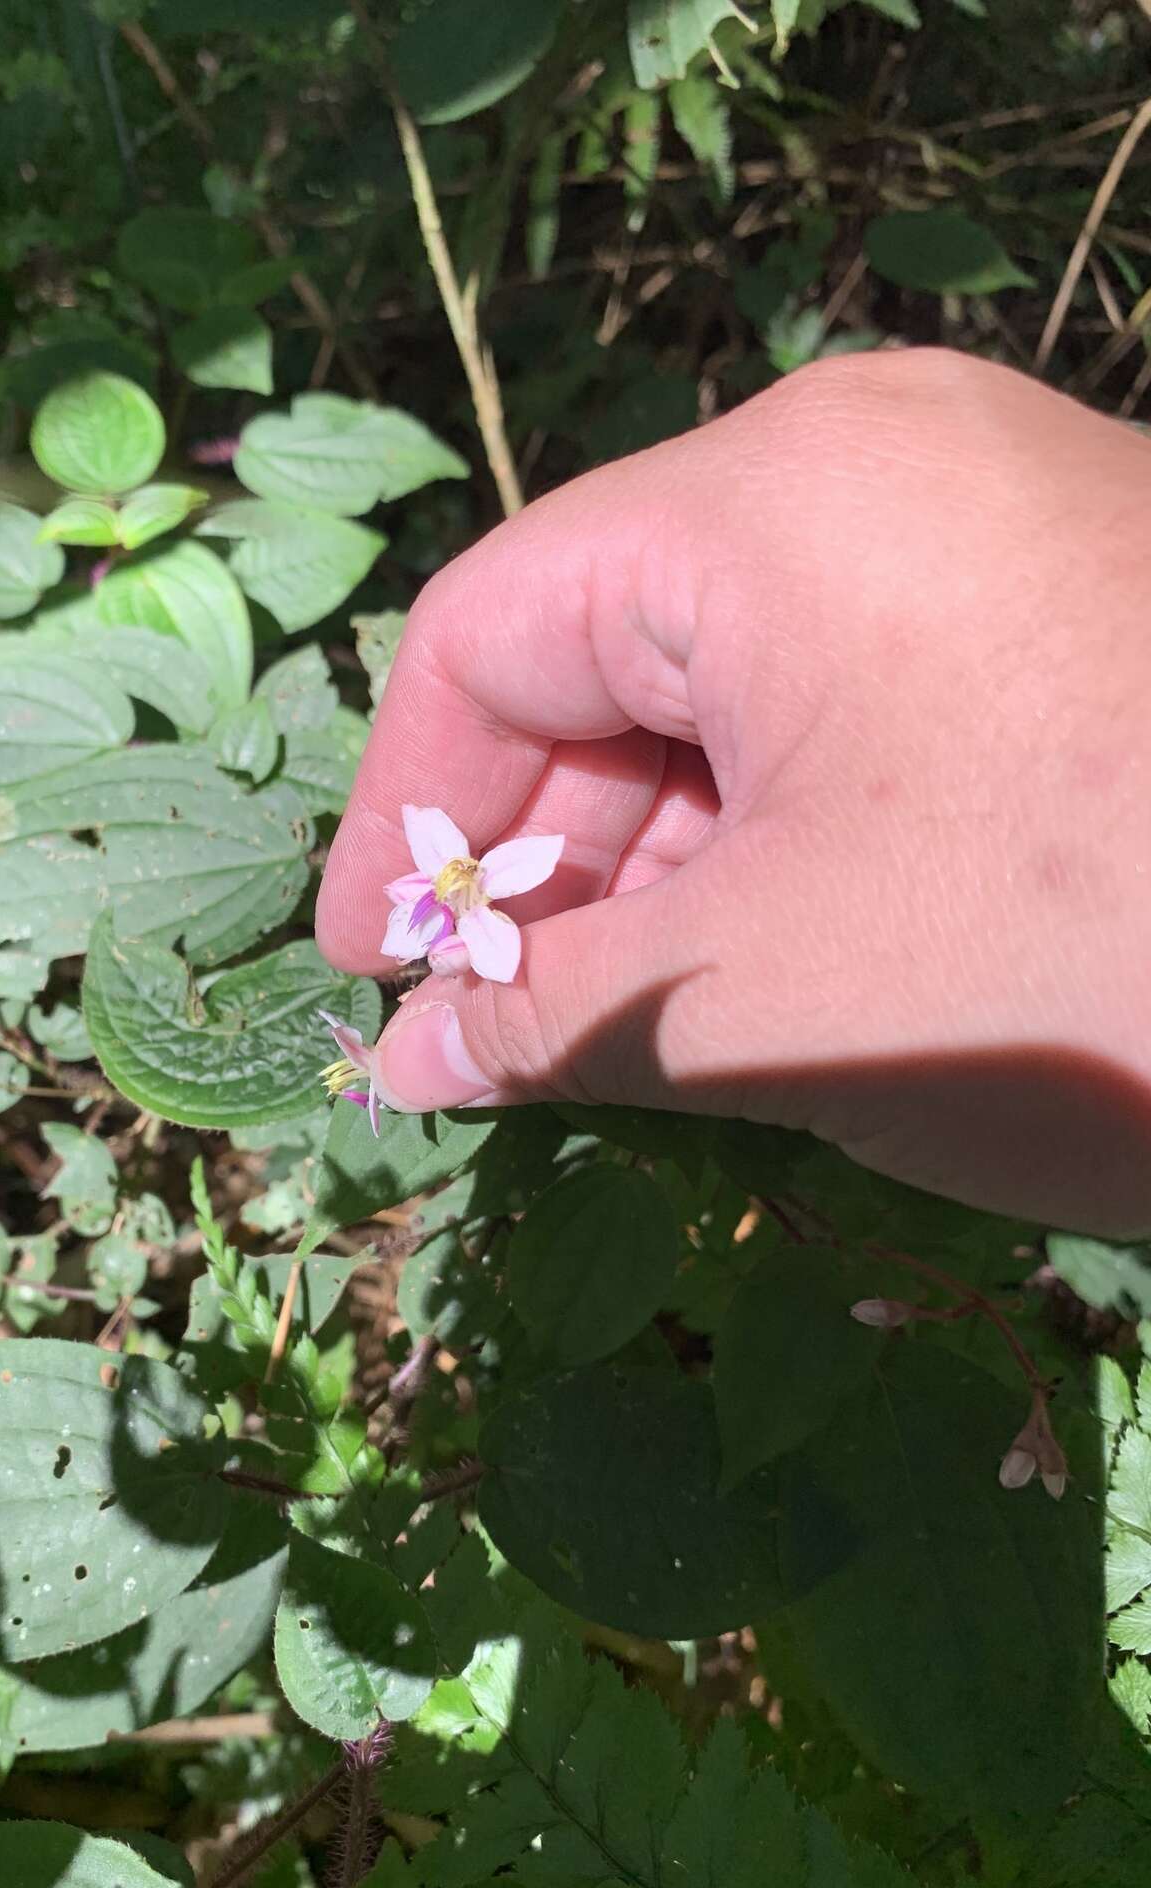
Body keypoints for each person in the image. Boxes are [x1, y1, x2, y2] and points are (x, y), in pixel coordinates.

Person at [316, 349, 1151, 1237]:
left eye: (458, 878)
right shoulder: (476, 901)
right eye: (450, 884)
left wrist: (508, 1025)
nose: (453, 886)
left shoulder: (496, 895)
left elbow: (503, 945)